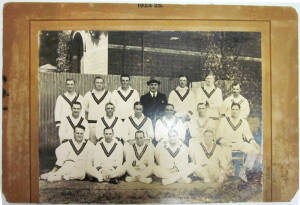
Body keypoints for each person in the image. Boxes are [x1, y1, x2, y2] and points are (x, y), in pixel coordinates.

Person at [216, 103, 260, 182]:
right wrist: (224, 142)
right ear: (230, 110)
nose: (235, 111)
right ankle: (224, 175)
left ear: (239, 111)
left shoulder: (243, 121)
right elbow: (219, 135)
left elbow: (248, 134)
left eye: (236, 109)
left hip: (240, 143)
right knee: (223, 155)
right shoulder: (224, 120)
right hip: (227, 144)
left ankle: (244, 169)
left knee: (254, 150)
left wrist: (253, 142)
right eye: (233, 109)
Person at [83, 76, 112, 144]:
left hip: (104, 123)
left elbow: (112, 108)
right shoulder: (89, 94)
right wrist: (91, 112)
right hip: (92, 123)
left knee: (103, 144)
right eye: (97, 82)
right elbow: (84, 108)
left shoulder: (108, 94)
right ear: (94, 84)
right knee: (92, 144)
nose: (99, 84)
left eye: (101, 82)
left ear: (103, 84)